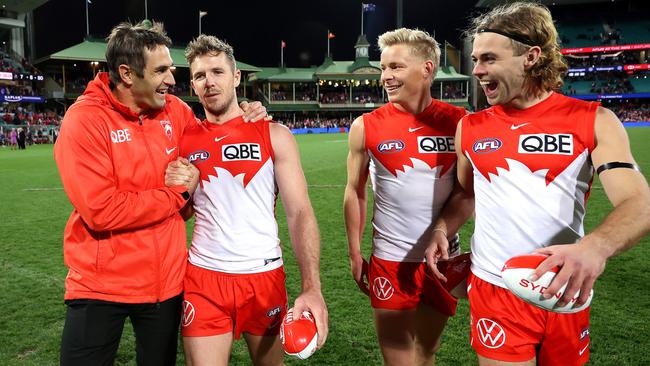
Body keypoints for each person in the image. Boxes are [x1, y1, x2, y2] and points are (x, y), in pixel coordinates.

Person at [425, 3, 650, 365]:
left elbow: (640, 202)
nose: (478, 70)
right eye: (476, 59)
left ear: (530, 57)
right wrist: (442, 227)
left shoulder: (594, 121)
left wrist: (596, 247)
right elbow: (467, 193)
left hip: (563, 288)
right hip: (495, 288)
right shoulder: (470, 127)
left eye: (488, 59)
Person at [54, 21, 267, 366]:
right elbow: (101, 210)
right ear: (126, 74)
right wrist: (176, 196)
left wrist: (245, 114)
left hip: (164, 285)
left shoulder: (177, 112)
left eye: (171, 69)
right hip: (99, 286)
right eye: (162, 71)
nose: (172, 79)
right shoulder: (85, 121)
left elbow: (212, 140)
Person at [170, 34, 328, 366]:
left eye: (217, 72)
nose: (209, 82)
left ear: (236, 76)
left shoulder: (274, 134)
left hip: (264, 277)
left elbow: (299, 212)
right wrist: (184, 190)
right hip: (204, 279)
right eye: (199, 76)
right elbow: (178, 213)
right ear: (193, 84)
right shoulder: (184, 140)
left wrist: (311, 286)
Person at [343, 28, 471, 366]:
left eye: (396, 67)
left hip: (440, 261)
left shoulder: (460, 124)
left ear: (427, 69)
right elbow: (354, 191)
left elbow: (467, 191)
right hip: (390, 260)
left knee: (425, 352)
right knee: (398, 357)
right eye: (384, 67)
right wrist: (355, 251)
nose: (385, 76)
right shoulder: (366, 126)